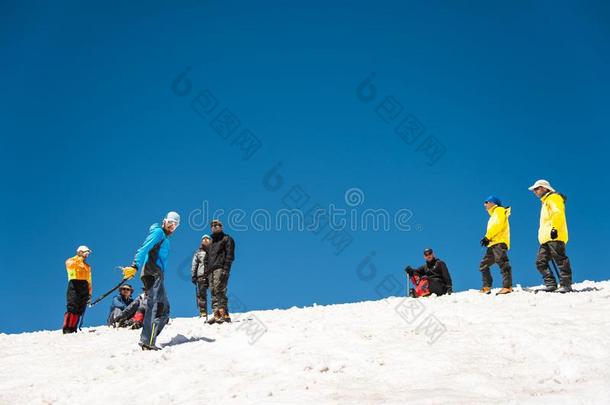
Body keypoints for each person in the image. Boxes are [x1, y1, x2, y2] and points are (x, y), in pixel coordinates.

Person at [121, 211, 180, 350]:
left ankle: (148, 337)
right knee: (157, 306)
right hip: (152, 273)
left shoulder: (165, 238)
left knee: (165, 310)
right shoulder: (158, 233)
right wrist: (135, 265)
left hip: (157, 274)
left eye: (175, 225)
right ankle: (148, 340)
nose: (172, 226)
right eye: (170, 222)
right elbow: (144, 247)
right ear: (164, 221)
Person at [528, 180, 573, 292]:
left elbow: (558, 213)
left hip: (555, 236)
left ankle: (566, 285)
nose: (535, 191)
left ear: (544, 188)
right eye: (534, 190)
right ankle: (551, 284)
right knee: (540, 261)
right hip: (546, 238)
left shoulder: (554, 198)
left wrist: (555, 229)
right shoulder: (545, 202)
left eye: (536, 188)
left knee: (560, 259)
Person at [479, 196, 513, 295]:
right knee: (483, 265)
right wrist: (488, 239)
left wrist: (487, 237)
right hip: (492, 244)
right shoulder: (493, 215)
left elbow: (498, 225)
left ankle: (507, 287)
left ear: (493, 203)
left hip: (499, 242)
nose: (484, 204)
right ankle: (486, 287)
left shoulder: (499, 210)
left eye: (486, 202)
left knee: (502, 263)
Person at [204, 219, 235, 324]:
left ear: (221, 226)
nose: (214, 226)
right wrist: (205, 272)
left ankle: (224, 314)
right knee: (213, 291)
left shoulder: (226, 238)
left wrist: (226, 269)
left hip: (220, 267)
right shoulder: (210, 241)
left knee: (220, 290)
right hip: (210, 270)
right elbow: (206, 257)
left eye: (216, 225)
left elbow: (230, 255)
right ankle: (216, 315)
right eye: (212, 225)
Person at [63, 245, 93, 334]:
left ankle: (73, 328)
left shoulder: (87, 266)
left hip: (84, 286)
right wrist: (79, 258)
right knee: (72, 306)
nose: (87, 255)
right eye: (85, 253)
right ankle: (67, 328)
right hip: (74, 284)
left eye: (88, 254)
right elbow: (69, 265)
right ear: (80, 252)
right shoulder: (71, 261)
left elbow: (89, 280)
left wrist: (89, 293)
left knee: (80, 308)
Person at [191, 235, 212, 318]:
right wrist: (193, 275)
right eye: (204, 239)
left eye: (207, 239)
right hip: (201, 274)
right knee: (202, 294)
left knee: (215, 292)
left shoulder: (214, 251)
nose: (205, 240)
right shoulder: (198, 252)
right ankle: (203, 312)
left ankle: (216, 310)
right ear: (201, 241)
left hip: (212, 274)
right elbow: (194, 264)